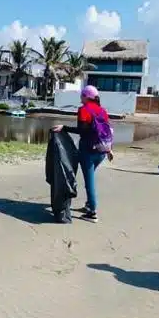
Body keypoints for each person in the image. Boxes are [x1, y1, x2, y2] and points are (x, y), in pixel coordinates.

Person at [51, 85, 113, 223]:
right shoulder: (102, 111)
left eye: (82, 95)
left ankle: (92, 212)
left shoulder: (84, 110)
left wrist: (64, 127)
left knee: (89, 181)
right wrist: (109, 149)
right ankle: (88, 205)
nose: (80, 97)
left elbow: (82, 131)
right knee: (89, 177)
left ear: (86, 96)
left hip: (88, 151)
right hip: (101, 151)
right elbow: (105, 132)